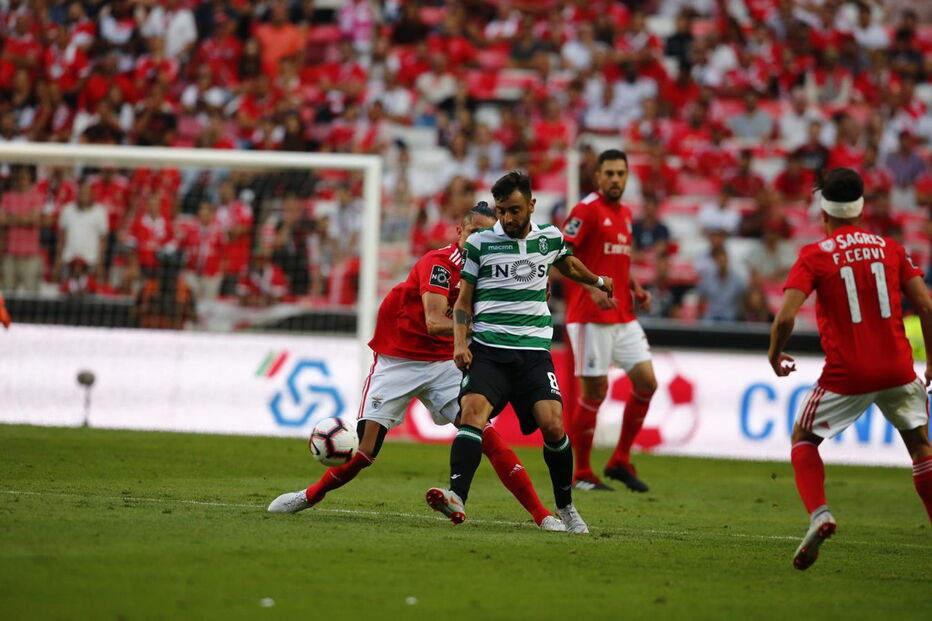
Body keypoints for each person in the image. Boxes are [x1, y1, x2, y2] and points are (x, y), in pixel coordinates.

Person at [269, 203, 566, 532]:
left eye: (487, 233)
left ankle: (542, 515)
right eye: (473, 232)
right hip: (399, 359)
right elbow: (435, 320)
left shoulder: (494, 269)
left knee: (485, 434)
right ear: (459, 233)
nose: (480, 239)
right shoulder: (439, 264)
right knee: (365, 451)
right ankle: (309, 496)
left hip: (443, 363)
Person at [425, 171, 614, 534]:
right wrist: (461, 342)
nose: (508, 219)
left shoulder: (550, 238)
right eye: (502, 211)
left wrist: (597, 281)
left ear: (531, 205)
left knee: (554, 425)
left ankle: (566, 507)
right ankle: (456, 496)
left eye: (514, 210)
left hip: (532, 355)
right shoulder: (481, 242)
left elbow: (567, 262)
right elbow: (464, 300)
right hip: (490, 352)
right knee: (472, 415)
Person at [768, 168, 932, 571]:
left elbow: (786, 317)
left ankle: (820, 513)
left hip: (848, 374)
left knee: (803, 437)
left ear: (823, 211)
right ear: (861, 208)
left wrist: (775, 352)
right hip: (898, 368)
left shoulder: (815, 255)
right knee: (920, 447)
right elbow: (926, 306)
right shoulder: (891, 248)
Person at [559, 150, 658, 493]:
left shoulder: (626, 214)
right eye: (610, 173)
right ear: (597, 176)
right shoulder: (586, 210)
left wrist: (635, 286)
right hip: (589, 315)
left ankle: (619, 460)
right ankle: (581, 473)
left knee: (646, 382)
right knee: (595, 392)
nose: (616, 179)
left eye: (621, 173)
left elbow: (619, 260)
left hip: (622, 313)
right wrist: (592, 287)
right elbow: (561, 255)